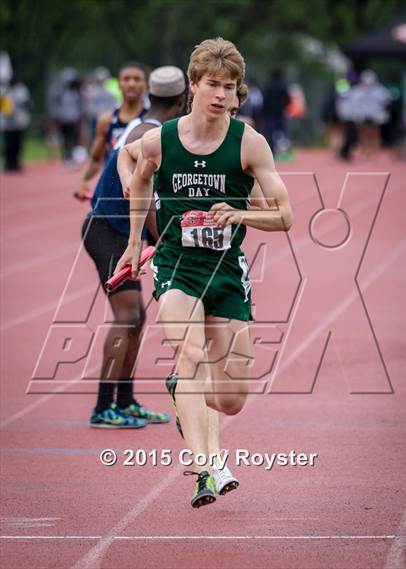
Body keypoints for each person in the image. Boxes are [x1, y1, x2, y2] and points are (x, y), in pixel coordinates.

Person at [115, 38, 293, 508]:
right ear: (192, 86)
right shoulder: (161, 139)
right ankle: (205, 465)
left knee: (232, 399)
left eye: (229, 87)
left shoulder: (249, 144)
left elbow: (285, 216)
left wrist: (241, 215)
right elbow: (133, 168)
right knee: (189, 351)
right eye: (212, 84)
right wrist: (136, 243)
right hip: (177, 265)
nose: (220, 94)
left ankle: (184, 390)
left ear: (238, 94)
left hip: (226, 270)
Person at [79, 66, 186, 428]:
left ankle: (124, 401)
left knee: (136, 319)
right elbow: (148, 195)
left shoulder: (145, 127)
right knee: (126, 318)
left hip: (117, 230)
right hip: (108, 230)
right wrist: (167, 241)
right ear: (182, 102)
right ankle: (102, 407)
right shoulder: (150, 134)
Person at [75, 62, 148, 198]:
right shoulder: (106, 120)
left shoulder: (152, 120)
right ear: (119, 84)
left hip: (142, 191)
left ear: (145, 85)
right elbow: (96, 159)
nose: (131, 83)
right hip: (112, 190)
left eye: (137, 79)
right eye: (126, 79)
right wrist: (82, 180)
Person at [0, 77, 31, 171]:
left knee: (18, 144)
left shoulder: (22, 90)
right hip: (7, 123)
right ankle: (8, 164)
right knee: (8, 145)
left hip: (19, 123)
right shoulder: (3, 90)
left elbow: (27, 104)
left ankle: (16, 163)